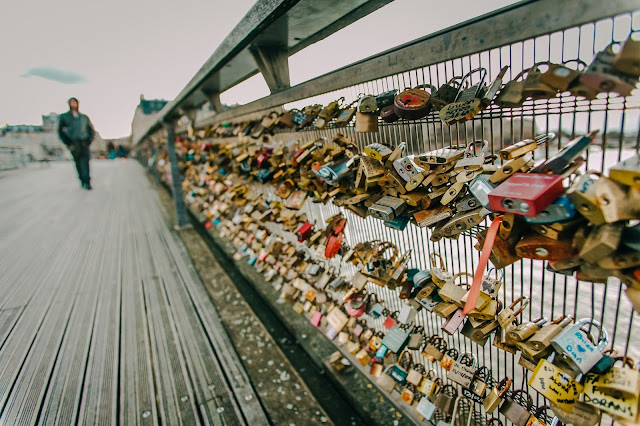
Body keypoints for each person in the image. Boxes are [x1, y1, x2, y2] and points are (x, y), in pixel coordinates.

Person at [58, 97, 95, 189]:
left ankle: (87, 182)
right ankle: (82, 180)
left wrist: (89, 141)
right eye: (71, 103)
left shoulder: (84, 117)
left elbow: (91, 130)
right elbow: (60, 132)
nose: (73, 104)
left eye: (75, 102)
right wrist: (68, 143)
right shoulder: (64, 117)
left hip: (84, 143)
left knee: (85, 163)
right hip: (73, 144)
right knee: (78, 163)